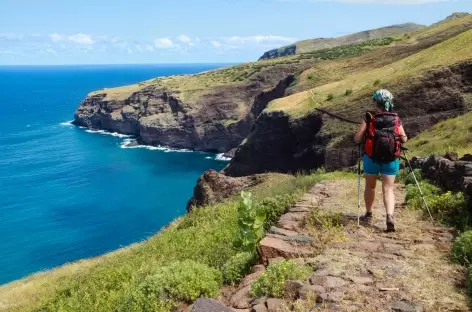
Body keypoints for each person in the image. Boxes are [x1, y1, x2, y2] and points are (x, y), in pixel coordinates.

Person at [354, 89, 408, 232]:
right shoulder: (396, 118)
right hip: (391, 158)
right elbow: (404, 138)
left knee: (370, 186)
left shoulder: (369, 117)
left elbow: (357, 138)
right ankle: (389, 215)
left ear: (376, 102)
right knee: (388, 189)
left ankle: (369, 213)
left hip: (371, 157)